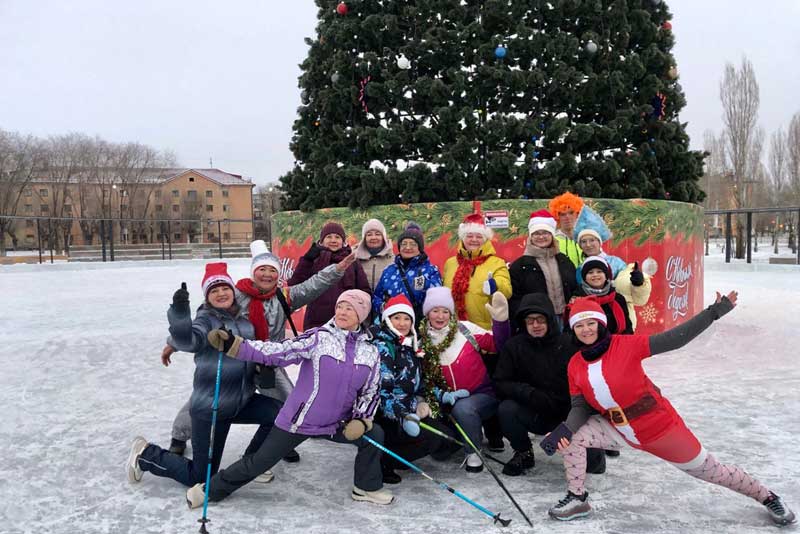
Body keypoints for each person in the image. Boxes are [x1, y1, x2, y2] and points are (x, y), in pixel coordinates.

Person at [546, 295, 795, 526]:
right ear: (573, 330)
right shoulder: (575, 365)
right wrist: (564, 430)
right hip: (617, 428)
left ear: (601, 324)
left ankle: (766, 496)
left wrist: (714, 312)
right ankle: (577, 498)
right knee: (572, 439)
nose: (586, 329)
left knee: (711, 471)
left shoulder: (626, 345)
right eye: (579, 325)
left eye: (591, 323)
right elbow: (580, 406)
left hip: (659, 428)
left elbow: (675, 338)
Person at [194, 289, 394, 507]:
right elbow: (279, 351)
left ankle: (366, 486)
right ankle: (209, 490)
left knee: (373, 434)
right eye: (340, 306)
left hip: (338, 423)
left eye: (350, 308)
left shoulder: (370, 352)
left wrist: (362, 419)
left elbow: (370, 391)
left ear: (362, 315)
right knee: (258, 463)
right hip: (300, 420)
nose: (342, 312)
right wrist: (236, 345)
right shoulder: (319, 338)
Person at [162, 240, 353, 461]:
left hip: (269, 362)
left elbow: (314, 284)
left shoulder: (284, 297)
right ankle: (179, 436)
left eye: (272, 270)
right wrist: (173, 342)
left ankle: (279, 443)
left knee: (287, 403)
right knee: (205, 400)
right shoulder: (237, 295)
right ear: (254, 272)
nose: (267, 275)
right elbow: (206, 321)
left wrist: (337, 269)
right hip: (236, 359)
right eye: (262, 269)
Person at [126, 263, 282, 490]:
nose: (221, 293)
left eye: (224, 288)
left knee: (279, 414)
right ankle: (145, 454)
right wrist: (180, 314)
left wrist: (261, 372)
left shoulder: (245, 323)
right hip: (212, 409)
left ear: (233, 291)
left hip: (241, 402)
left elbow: (250, 357)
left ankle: (252, 463)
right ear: (208, 296)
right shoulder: (206, 320)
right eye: (214, 290)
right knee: (200, 478)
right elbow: (188, 340)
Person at [494, 293, 605, 476]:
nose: (535, 325)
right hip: (535, 410)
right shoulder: (514, 346)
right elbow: (501, 381)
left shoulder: (570, 343)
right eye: (530, 321)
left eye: (540, 319)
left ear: (550, 319)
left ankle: (594, 452)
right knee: (507, 409)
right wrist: (528, 393)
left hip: (569, 413)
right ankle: (524, 452)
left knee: (593, 468)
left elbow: (590, 381)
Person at [417, 287, 510, 473]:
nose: (440, 316)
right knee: (440, 450)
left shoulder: (465, 329)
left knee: (464, 407)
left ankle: (473, 451)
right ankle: (462, 437)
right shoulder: (421, 344)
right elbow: (422, 380)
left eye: (445, 311)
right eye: (435, 310)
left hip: (480, 394)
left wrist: (501, 322)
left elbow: (499, 344)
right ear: (427, 313)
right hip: (444, 401)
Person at [443, 212, 512, 451]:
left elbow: (507, 288)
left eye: (478, 236)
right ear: (463, 237)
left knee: (487, 386)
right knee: (463, 386)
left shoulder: (495, 262)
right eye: (469, 235)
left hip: (484, 334)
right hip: (458, 337)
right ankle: (466, 430)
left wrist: (495, 285)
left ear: (485, 238)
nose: (473, 239)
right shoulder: (452, 263)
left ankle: (494, 436)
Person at [371, 294, 454, 484]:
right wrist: (403, 415)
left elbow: (418, 382)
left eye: (407, 318)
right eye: (397, 318)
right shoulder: (383, 346)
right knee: (431, 438)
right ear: (387, 319)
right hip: (388, 413)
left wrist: (437, 396)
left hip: (409, 407)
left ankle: (401, 453)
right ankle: (385, 461)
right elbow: (382, 391)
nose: (402, 323)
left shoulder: (410, 345)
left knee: (446, 436)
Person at [288, 221, 369, 329]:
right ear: (322, 241)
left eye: (337, 237)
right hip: (317, 320)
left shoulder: (351, 261)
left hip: (346, 320)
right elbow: (294, 285)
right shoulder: (314, 259)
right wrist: (306, 260)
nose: (333, 240)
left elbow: (363, 290)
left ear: (343, 241)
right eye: (329, 237)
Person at [509, 210, 577, 328]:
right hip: (538, 322)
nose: (541, 237)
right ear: (531, 236)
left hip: (566, 318)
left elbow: (575, 285)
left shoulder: (563, 260)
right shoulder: (520, 266)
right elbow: (514, 298)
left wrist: (575, 297)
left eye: (545, 232)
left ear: (552, 235)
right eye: (536, 233)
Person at [372, 221, 442, 322]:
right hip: (391, 323)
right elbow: (376, 297)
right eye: (404, 244)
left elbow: (436, 302)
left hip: (419, 324)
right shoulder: (389, 270)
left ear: (420, 248)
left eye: (413, 244)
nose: (408, 247)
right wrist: (385, 307)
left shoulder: (430, 270)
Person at [567, 256, 632, 335]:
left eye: (599, 271)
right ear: (584, 278)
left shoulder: (617, 298)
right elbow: (571, 330)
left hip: (616, 343)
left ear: (606, 275)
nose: (595, 275)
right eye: (590, 272)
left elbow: (628, 327)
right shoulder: (577, 299)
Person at [572, 204, 627, 280]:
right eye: (584, 241)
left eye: (592, 240)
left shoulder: (616, 263)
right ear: (580, 245)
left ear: (599, 242)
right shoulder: (580, 269)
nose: (588, 245)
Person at [354, 218, 394, 292]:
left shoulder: (393, 259)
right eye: (369, 235)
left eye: (377, 234)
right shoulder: (354, 259)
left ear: (383, 237)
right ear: (364, 238)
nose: (373, 237)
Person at [549, 192, 584, 267]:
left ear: (578, 214)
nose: (567, 217)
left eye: (571, 212)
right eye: (562, 214)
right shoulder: (552, 241)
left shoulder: (586, 237)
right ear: (557, 217)